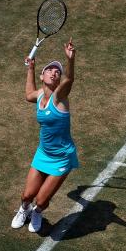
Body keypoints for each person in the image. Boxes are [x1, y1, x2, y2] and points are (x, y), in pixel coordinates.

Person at [11, 37, 79, 233]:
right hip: (43, 153)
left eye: (57, 71)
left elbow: (70, 79)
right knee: (26, 195)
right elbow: (28, 94)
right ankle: (24, 210)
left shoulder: (60, 98)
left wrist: (70, 60)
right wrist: (31, 69)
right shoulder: (40, 95)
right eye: (49, 69)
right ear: (43, 76)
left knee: (41, 200)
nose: (54, 72)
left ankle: (37, 212)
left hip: (62, 158)